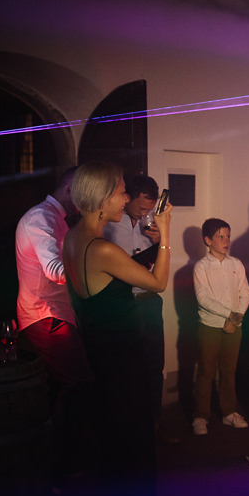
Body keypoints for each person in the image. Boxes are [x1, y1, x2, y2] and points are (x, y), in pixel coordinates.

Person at [62, 161, 172, 496]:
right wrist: (167, 235)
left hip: (100, 357)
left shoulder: (72, 238)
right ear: (102, 199)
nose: (126, 197)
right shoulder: (104, 248)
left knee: (113, 447)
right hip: (124, 361)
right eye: (122, 191)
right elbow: (158, 283)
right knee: (134, 447)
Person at [15, 165, 93, 486]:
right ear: (71, 189)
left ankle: (54, 464)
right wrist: (96, 270)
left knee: (64, 388)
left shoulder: (56, 220)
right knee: (79, 385)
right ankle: (63, 469)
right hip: (45, 316)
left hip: (54, 315)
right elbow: (54, 269)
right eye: (85, 190)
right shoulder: (41, 219)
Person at [103, 175, 174, 444]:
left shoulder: (151, 224)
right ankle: (125, 430)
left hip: (149, 299)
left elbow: (158, 266)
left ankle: (154, 423)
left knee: (154, 365)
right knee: (125, 368)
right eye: (142, 208)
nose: (146, 214)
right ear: (128, 198)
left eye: (149, 209)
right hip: (123, 303)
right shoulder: (109, 225)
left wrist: (159, 242)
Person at [192, 218, 249, 435]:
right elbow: (203, 299)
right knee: (206, 371)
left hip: (234, 326)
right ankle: (200, 416)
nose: (226, 241)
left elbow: (245, 292)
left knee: (229, 370)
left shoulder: (236, 264)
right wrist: (230, 315)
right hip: (210, 326)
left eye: (227, 236)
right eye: (220, 237)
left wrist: (237, 318)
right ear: (208, 240)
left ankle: (228, 412)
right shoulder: (201, 267)